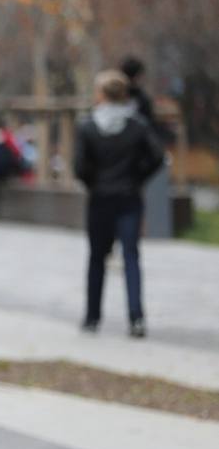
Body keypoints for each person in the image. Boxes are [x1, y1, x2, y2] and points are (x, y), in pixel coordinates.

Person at [74, 70, 164, 338]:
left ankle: (92, 317)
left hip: (100, 198)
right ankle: (136, 318)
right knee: (131, 256)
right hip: (129, 197)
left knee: (96, 258)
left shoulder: (87, 126)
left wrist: (93, 183)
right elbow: (157, 157)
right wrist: (138, 178)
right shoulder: (137, 126)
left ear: (101, 94)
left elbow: (80, 167)